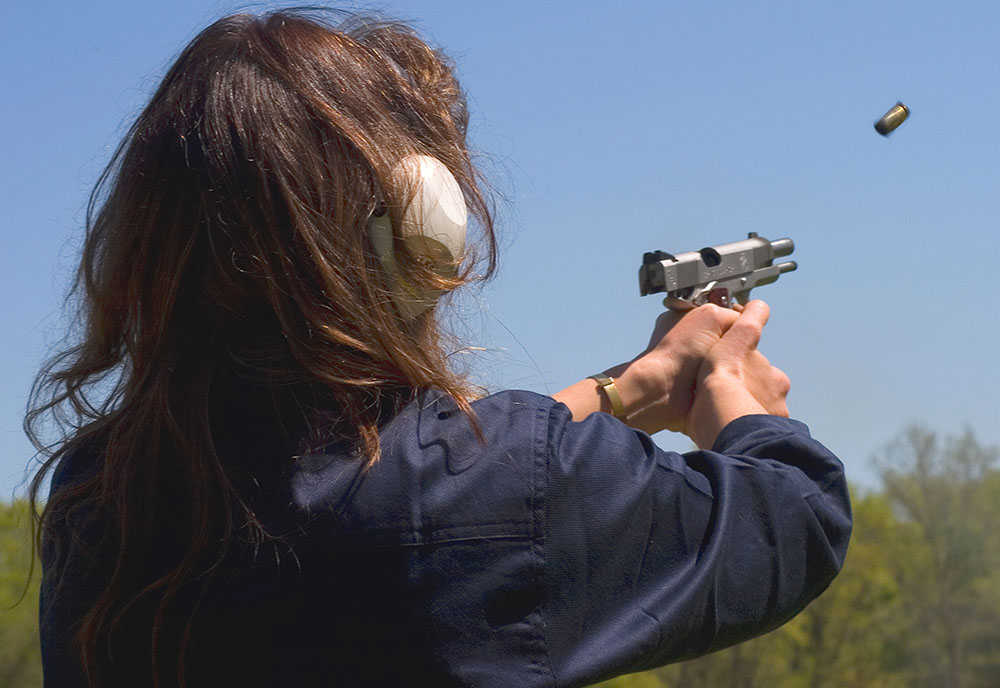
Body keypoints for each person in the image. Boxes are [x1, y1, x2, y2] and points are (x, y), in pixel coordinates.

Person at [27, 9, 851, 688]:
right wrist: (740, 399)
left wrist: (627, 387)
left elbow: (374, 485)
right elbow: (795, 514)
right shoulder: (490, 491)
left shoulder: (98, 500)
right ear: (426, 229)